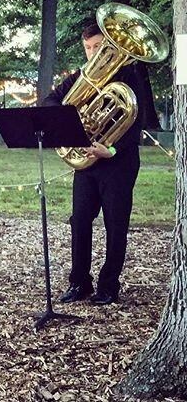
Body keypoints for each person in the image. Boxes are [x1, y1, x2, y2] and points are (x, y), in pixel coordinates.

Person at [44, 22, 145, 305]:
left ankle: (109, 286)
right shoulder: (80, 77)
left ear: (109, 48)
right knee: (79, 221)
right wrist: (70, 114)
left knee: (116, 225)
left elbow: (137, 123)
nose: (92, 54)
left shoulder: (129, 77)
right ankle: (79, 283)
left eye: (98, 48)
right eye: (88, 48)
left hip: (118, 161)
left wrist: (111, 148)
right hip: (86, 162)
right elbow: (50, 100)